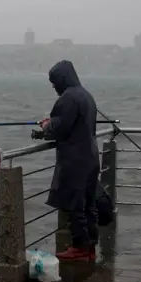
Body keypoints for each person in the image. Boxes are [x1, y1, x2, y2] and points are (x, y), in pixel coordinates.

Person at [41, 60, 100, 261]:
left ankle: (80, 247)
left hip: (75, 159)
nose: (53, 86)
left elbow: (60, 129)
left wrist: (46, 127)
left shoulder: (68, 98)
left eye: (54, 81)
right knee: (89, 204)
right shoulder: (86, 95)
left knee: (75, 204)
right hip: (91, 156)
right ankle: (90, 247)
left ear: (62, 79)